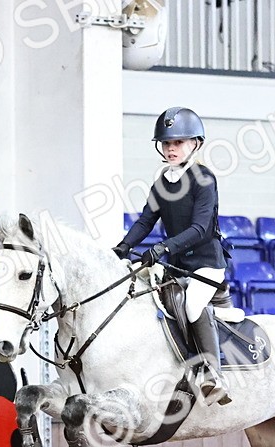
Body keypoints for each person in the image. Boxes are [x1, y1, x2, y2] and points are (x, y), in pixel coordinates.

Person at [113, 106, 232, 406]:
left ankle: (212, 374)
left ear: (195, 144)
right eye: (166, 143)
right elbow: (145, 221)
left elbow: (200, 228)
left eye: (178, 142)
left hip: (205, 263)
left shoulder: (204, 180)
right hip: (177, 266)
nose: (171, 148)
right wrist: (124, 247)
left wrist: (162, 249)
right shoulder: (162, 182)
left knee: (192, 305)